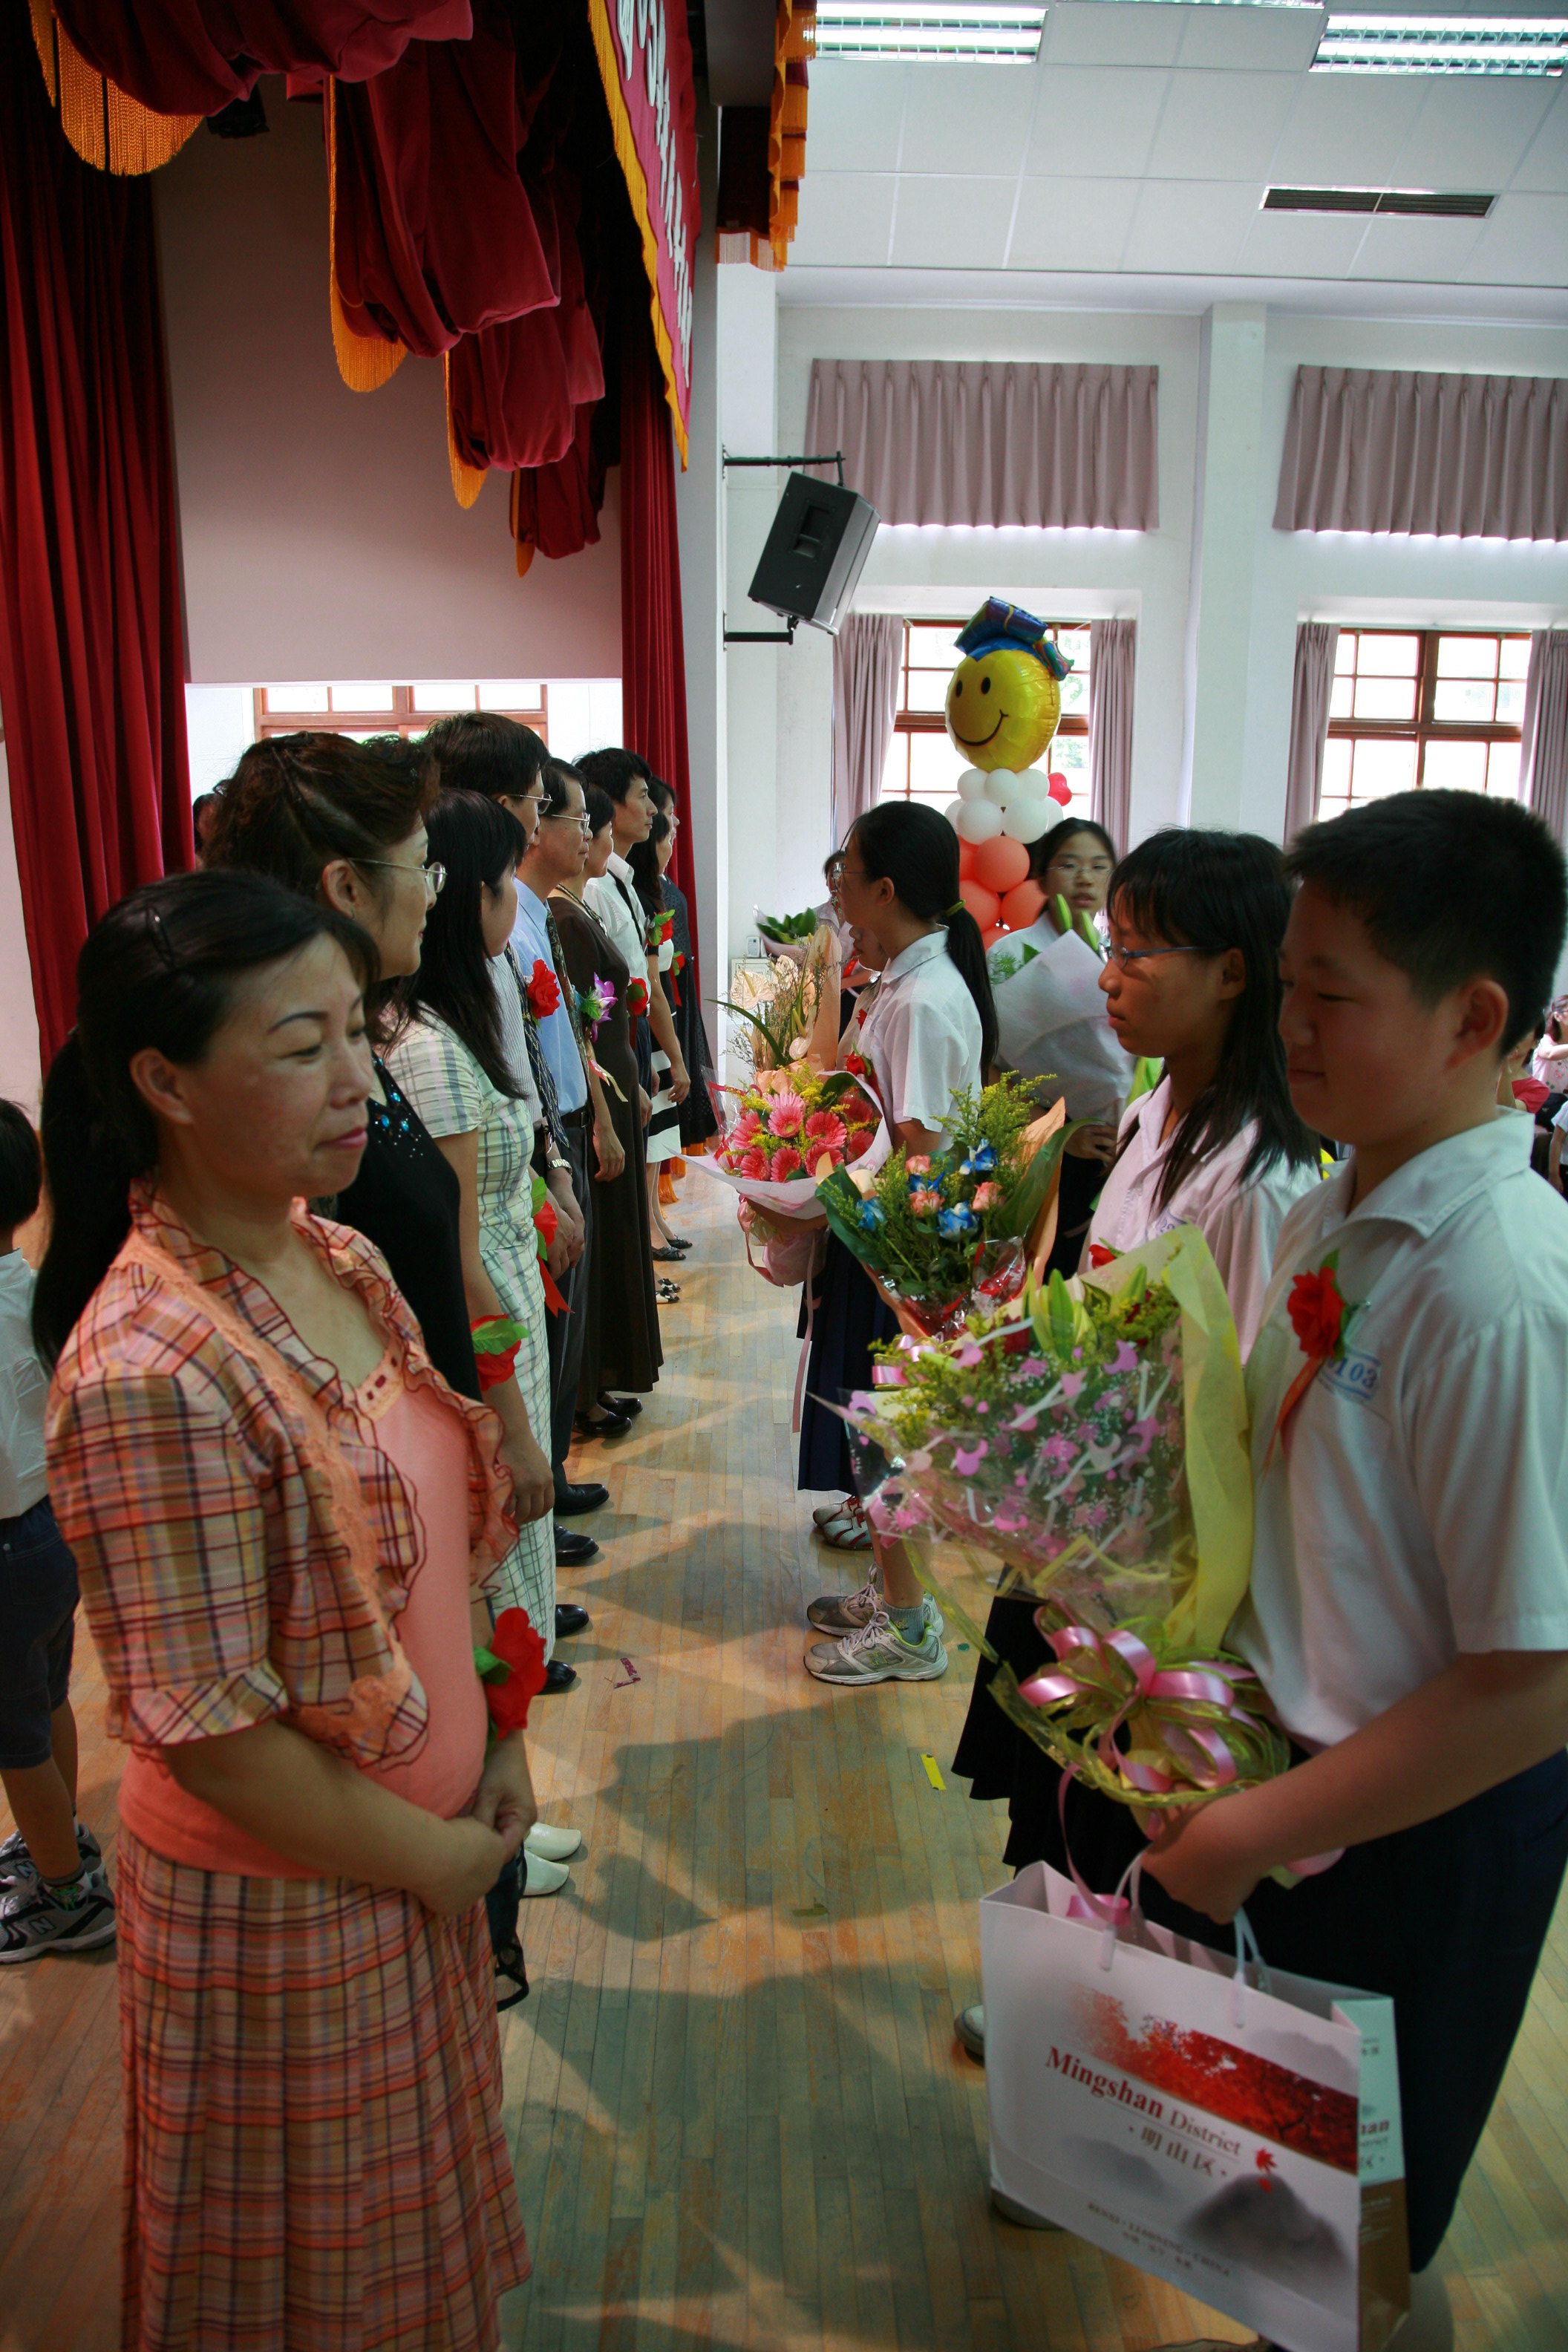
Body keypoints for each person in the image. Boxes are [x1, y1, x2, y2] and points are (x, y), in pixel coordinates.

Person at [1042, 793, 1568, 2340]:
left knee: (1354, 2243)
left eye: (1330, 994)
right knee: (1276, 2214)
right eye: (1288, 985)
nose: (1291, 1026)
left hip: (1411, 1827)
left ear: (1475, 1019)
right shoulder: (1349, 1202)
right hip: (1289, 1780)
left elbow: (1535, 1680)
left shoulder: (1495, 1286)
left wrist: (1247, 1829)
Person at [36, 872, 535, 2349]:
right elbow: (213, 1733)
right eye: (302, 1044)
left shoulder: (336, 1254)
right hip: (292, 1907)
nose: (358, 1079)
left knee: (404, 2260)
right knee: (312, 2292)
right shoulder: (148, 1369)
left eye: (357, 1030)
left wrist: (502, 1731)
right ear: (165, 1082)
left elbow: (439, 1556)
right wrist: (440, 1861)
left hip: (409, 1859)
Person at [951, 827, 1321, 2058]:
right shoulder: (1159, 1105)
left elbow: (1241, 1416)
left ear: (1232, 970)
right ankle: (1050, 2017)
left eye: (1135, 951)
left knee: (1126, 1828)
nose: (1105, 976)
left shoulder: (1262, 1180)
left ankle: (1093, 2063)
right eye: (1106, 946)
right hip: (1088, 1527)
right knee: (1061, 1803)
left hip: (1160, 1567)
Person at [800, 800, 997, 1688]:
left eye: (845, 874)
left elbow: (921, 1154)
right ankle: (893, 1594)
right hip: (885, 1245)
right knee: (871, 1432)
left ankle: (912, 1628)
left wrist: (848, 1221)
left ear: (884, 889)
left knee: (885, 1437)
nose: (836, 890)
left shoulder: (922, 998)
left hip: (899, 1255)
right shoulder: (906, 982)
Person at [384, 793, 572, 1702]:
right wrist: (521, 1436)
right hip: (488, 1319)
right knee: (502, 1538)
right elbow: (456, 1263)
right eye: (503, 881)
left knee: (519, 1558)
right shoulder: (426, 1051)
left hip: (510, 1301)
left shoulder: (455, 1018)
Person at [422, 713, 622, 1535]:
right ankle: (535, 1479)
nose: (545, 825)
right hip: (513, 1173)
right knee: (524, 1347)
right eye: (539, 804)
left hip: (538, 1152)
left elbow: (552, 1042)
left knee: (548, 1347)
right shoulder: (453, 978)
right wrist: (552, 1168)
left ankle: (547, 1472)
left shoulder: (522, 922)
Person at [0, 1103, 116, 1961]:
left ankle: (67, 1896)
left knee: (13, 1741)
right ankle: (58, 1840)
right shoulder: (33, 1288)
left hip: (6, 1548)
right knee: (44, 1701)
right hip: (52, 1531)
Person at [547, 770, 664, 1418]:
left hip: (616, 1083)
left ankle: (602, 1381)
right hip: (601, 1092)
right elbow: (580, 1028)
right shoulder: (565, 914)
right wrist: (603, 1114)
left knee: (617, 1236)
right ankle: (589, 1391)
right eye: (588, 829)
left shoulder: (580, 905)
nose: (594, 842)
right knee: (604, 1241)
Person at [578, 748, 690, 1305]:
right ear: (609, 803)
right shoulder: (594, 888)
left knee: (639, 1162)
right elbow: (599, 994)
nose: (653, 812)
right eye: (642, 797)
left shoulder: (621, 879)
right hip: (611, 1041)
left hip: (630, 1035)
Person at [996, 817, 1129, 1274]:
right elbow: (988, 1069)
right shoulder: (1011, 957)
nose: (1085, 878)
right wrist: (1060, 1134)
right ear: (1043, 877)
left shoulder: (1115, 953)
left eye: (1099, 866)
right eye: (1069, 865)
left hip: (1113, 1150)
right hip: (1044, 1149)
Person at [645, 775, 718, 1154]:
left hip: (677, 990)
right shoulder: (646, 890)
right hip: (661, 994)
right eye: (669, 814)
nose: (675, 823)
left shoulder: (663, 882)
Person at [628, 810, 686, 1255]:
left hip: (660, 1022)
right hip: (649, 1024)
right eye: (666, 836)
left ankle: (655, 1217)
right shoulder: (640, 899)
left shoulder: (654, 894)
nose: (670, 843)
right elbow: (651, 986)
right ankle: (648, 1225)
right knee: (650, 1141)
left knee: (660, 1135)